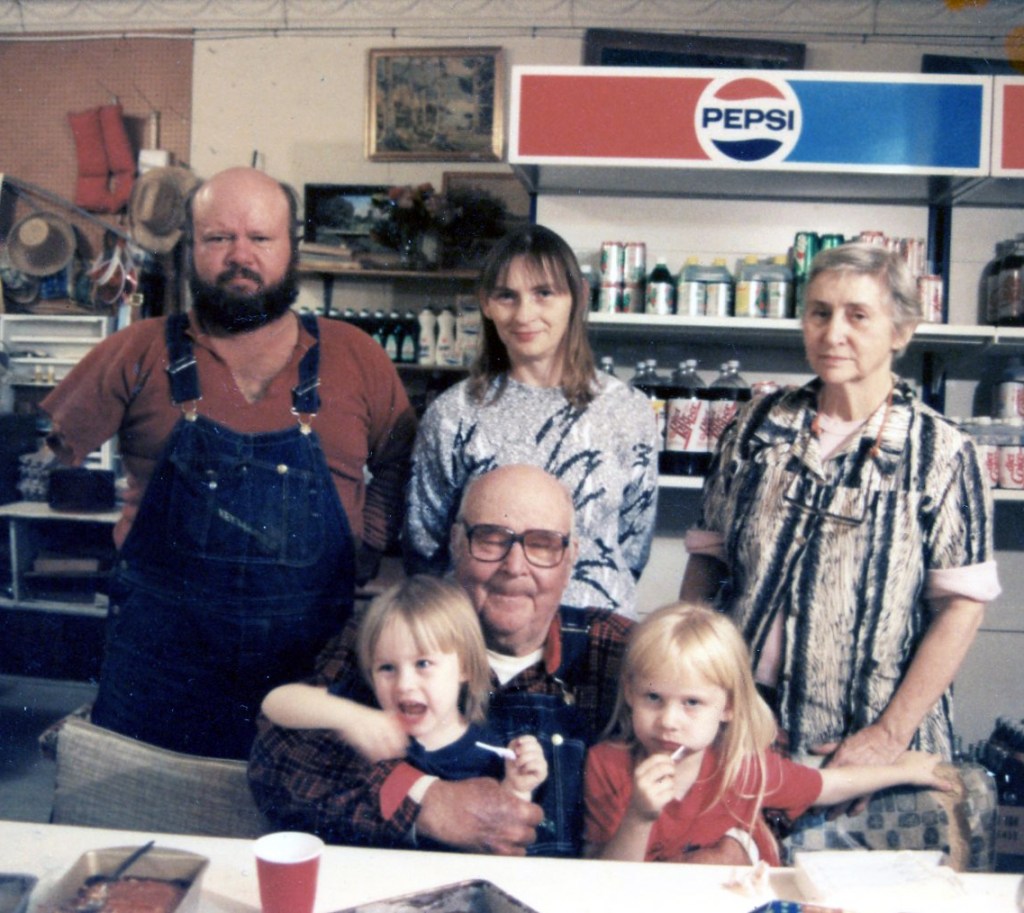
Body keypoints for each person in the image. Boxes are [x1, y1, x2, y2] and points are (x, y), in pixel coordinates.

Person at [40, 166, 416, 760]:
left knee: (295, 833)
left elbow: (401, 461)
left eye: (260, 239)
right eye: (218, 239)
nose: (239, 256)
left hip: (310, 666)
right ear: (192, 248)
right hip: (161, 667)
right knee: (143, 833)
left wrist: (368, 537)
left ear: (291, 247)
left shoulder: (356, 356)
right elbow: (41, 449)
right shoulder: (136, 351)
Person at [250, 464, 748, 862]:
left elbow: (749, 739)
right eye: (492, 538)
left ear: (571, 555)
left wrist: (733, 843)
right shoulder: (393, 638)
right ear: (455, 542)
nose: (515, 566)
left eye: (542, 544)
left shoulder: (617, 647)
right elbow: (278, 763)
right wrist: (424, 805)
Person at [680, 242, 999, 798]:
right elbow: (708, 567)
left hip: (870, 743)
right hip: (745, 729)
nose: (833, 333)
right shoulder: (754, 428)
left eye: (858, 315)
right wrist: (687, 688)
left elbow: (960, 610)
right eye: (820, 312)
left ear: (901, 331)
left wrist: (888, 733)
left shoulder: (943, 452)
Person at [403, 224, 658, 618]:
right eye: (507, 295)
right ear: (486, 304)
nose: (525, 314)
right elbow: (426, 545)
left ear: (578, 298)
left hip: (594, 633)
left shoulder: (628, 410)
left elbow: (632, 545)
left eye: (544, 293)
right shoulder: (454, 413)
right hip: (481, 633)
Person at [583, 603, 955, 865]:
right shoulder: (607, 764)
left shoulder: (740, 769)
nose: (669, 720)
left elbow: (827, 785)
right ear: (630, 692)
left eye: (692, 702)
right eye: (654, 698)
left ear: (727, 707)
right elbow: (609, 885)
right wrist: (639, 817)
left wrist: (906, 771)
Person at [261, 574, 548, 812]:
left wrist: (517, 788)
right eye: (387, 668)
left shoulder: (490, 752)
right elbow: (275, 703)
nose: (404, 684)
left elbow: (503, 834)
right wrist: (349, 716)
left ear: (465, 668)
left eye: (423, 664)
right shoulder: (366, 712)